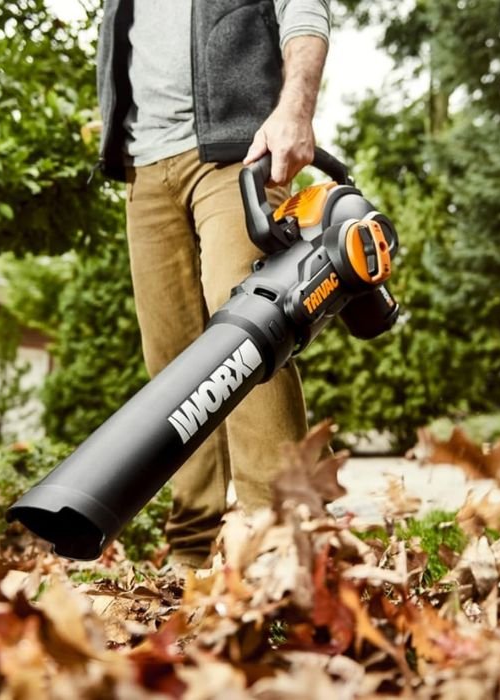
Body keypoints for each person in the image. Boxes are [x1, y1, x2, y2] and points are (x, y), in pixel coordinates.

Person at [95, 0, 331, 569]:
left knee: (250, 330)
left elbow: (305, 10)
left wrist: (295, 110)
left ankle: (278, 538)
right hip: (146, 169)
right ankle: (193, 549)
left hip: (238, 154)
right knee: (171, 360)